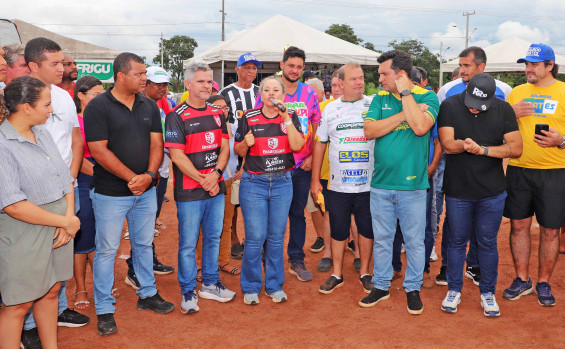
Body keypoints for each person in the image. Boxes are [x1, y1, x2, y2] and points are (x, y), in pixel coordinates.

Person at [84, 52, 175, 336]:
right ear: (121, 76)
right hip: (111, 192)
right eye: (139, 74)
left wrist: (148, 176)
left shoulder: (149, 104)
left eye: (144, 73)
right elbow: (98, 150)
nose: (144, 78)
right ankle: (105, 309)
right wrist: (132, 178)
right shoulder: (97, 107)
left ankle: (147, 294)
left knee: (144, 244)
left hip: (146, 190)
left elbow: (157, 143)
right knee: (107, 250)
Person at [0, 76, 81, 349]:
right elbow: (13, 205)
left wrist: (68, 217)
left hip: (60, 225)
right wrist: (66, 221)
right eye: (47, 104)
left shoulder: (42, 132)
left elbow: (65, 178)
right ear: (26, 107)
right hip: (24, 232)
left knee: (51, 291)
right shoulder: (2, 143)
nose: (51, 110)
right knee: (18, 304)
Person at [360, 50, 438, 315]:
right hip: (381, 184)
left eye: (384, 73)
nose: (379, 78)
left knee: (415, 241)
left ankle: (412, 287)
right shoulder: (379, 98)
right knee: (383, 239)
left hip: (413, 187)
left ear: (401, 74)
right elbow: (370, 130)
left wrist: (407, 97)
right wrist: (405, 114)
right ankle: (381, 285)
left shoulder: (427, 96)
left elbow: (420, 128)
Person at [22, 37, 88, 347]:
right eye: (54, 63)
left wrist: (71, 179)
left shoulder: (64, 97)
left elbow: (76, 140)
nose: (62, 68)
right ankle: (27, 325)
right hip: (32, 194)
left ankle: (58, 309)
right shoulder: (18, 98)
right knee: (34, 259)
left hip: (65, 190)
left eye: (63, 62)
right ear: (34, 66)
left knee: (61, 252)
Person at [438, 73, 522, 317]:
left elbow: (516, 148)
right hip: (458, 190)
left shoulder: (504, 109)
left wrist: (483, 150)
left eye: (481, 107)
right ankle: (454, 289)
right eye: (472, 105)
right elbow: (447, 144)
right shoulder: (450, 105)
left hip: (492, 192)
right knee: (456, 241)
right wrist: (466, 145)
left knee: (486, 243)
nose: (475, 110)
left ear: (492, 99)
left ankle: (488, 292)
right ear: (466, 92)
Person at [434, 46, 512, 287]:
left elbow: (508, 132)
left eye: (466, 65)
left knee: (484, 232)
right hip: (457, 174)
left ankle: (476, 266)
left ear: (481, 66)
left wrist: (488, 150)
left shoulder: (504, 91)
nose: (461, 69)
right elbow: (443, 136)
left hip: (490, 178)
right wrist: (462, 145)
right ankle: (448, 267)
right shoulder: (448, 91)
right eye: (460, 65)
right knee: (454, 227)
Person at [165, 61, 236, 315]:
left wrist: (215, 175)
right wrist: (203, 179)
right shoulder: (176, 116)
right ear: (188, 84)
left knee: (213, 237)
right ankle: (187, 291)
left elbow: (225, 147)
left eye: (209, 82)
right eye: (201, 81)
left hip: (215, 187)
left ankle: (209, 283)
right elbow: (177, 155)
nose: (207, 86)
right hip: (190, 190)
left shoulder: (218, 114)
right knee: (188, 242)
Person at [502, 43, 565, 307]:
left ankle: (543, 282)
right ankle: (522, 279)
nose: (528, 69)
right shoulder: (517, 92)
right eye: (526, 64)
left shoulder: (563, 91)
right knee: (518, 226)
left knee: (550, 231)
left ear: (550, 66)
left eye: (533, 64)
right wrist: (509, 115)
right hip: (519, 169)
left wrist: (561, 140)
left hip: (554, 172)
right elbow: (499, 129)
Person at [234, 76, 304, 305]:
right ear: (260, 94)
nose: (271, 94)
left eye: (275, 90)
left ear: (283, 95)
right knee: (255, 237)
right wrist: (246, 143)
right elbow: (239, 150)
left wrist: (287, 120)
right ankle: (251, 286)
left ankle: (274, 285)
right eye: (266, 90)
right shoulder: (249, 117)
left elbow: (297, 146)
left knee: (275, 238)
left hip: (283, 182)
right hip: (254, 183)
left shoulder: (291, 117)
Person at [256, 46, 321, 282]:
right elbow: (256, 122)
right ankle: (266, 257)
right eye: (290, 65)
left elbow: (318, 127)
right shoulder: (269, 91)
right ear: (281, 64)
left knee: (297, 214)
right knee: (269, 215)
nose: (294, 70)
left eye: (299, 67)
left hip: (300, 165)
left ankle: (296, 259)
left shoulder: (310, 93)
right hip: (272, 165)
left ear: (303, 69)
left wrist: (313, 157)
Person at [311, 62, 375, 295]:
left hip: (369, 184)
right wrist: (315, 180)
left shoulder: (373, 104)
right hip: (338, 184)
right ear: (341, 82)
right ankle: (336, 273)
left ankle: (365, 272)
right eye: (354, 79)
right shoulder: (330, 108)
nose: (359, 82)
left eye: (361, 78)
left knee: (366, 229)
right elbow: (320, 144)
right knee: (338, 229)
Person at [124, 66, 175, 290]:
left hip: (160, 172)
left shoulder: (164, 104)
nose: (163, 88)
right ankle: (134, 269)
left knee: (150, 222)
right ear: (146, 84)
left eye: (165, 84)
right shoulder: (137, 105)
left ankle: (147, 260)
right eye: (158, 84)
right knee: (140, 224)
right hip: (144, 174)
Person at [391, 66, 442, 288]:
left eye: (415, 82)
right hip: (396, 175)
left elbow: (438, 141)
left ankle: (422, 269)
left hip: (422, 174)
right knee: (394, 224)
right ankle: (394, 267)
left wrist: (431, 167)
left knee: (424, 222)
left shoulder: (429, 104)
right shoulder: (392, 103)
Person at [219, 52, 262, 259]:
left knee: (257, 198)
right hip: (235, 152)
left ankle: (255, 239)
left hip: (260, 151)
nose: (251, 71)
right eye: (247, 67)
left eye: (254, 68)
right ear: (237, 69)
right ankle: (234, 238)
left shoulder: (260, 92)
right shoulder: (225, 93)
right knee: (233, 198)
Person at [195, 94, 242, 277]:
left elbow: (245, 150)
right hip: (205, 182)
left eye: (225, 107)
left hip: (228, 182)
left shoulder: (235, 128)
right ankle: (200, 266)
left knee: (226, 224)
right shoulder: (202, 128)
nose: (223, 111)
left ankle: (223, 262)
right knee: (202, 226)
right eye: (218, 107)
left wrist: (243, 169)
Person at [71, 76, 105, 310]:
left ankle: (101, 284)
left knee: (103, 234)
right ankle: (81, 288)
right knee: (83, 236)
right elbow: (78, 158)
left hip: (105, 179)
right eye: (95, 93)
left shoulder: (104, 119)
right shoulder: (73, 121)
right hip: (84, 180)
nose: (99, 98)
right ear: (80, 95)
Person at [315, 70, 343, 272]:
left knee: (353, 216)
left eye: (341, 85)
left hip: (353, 174)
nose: (337, 89)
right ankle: (328, 253)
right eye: (334, 86)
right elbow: (315, 141)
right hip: (327, 173)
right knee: (328, 214)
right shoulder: (323, 108)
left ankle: (358, 253)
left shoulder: (363, 107)